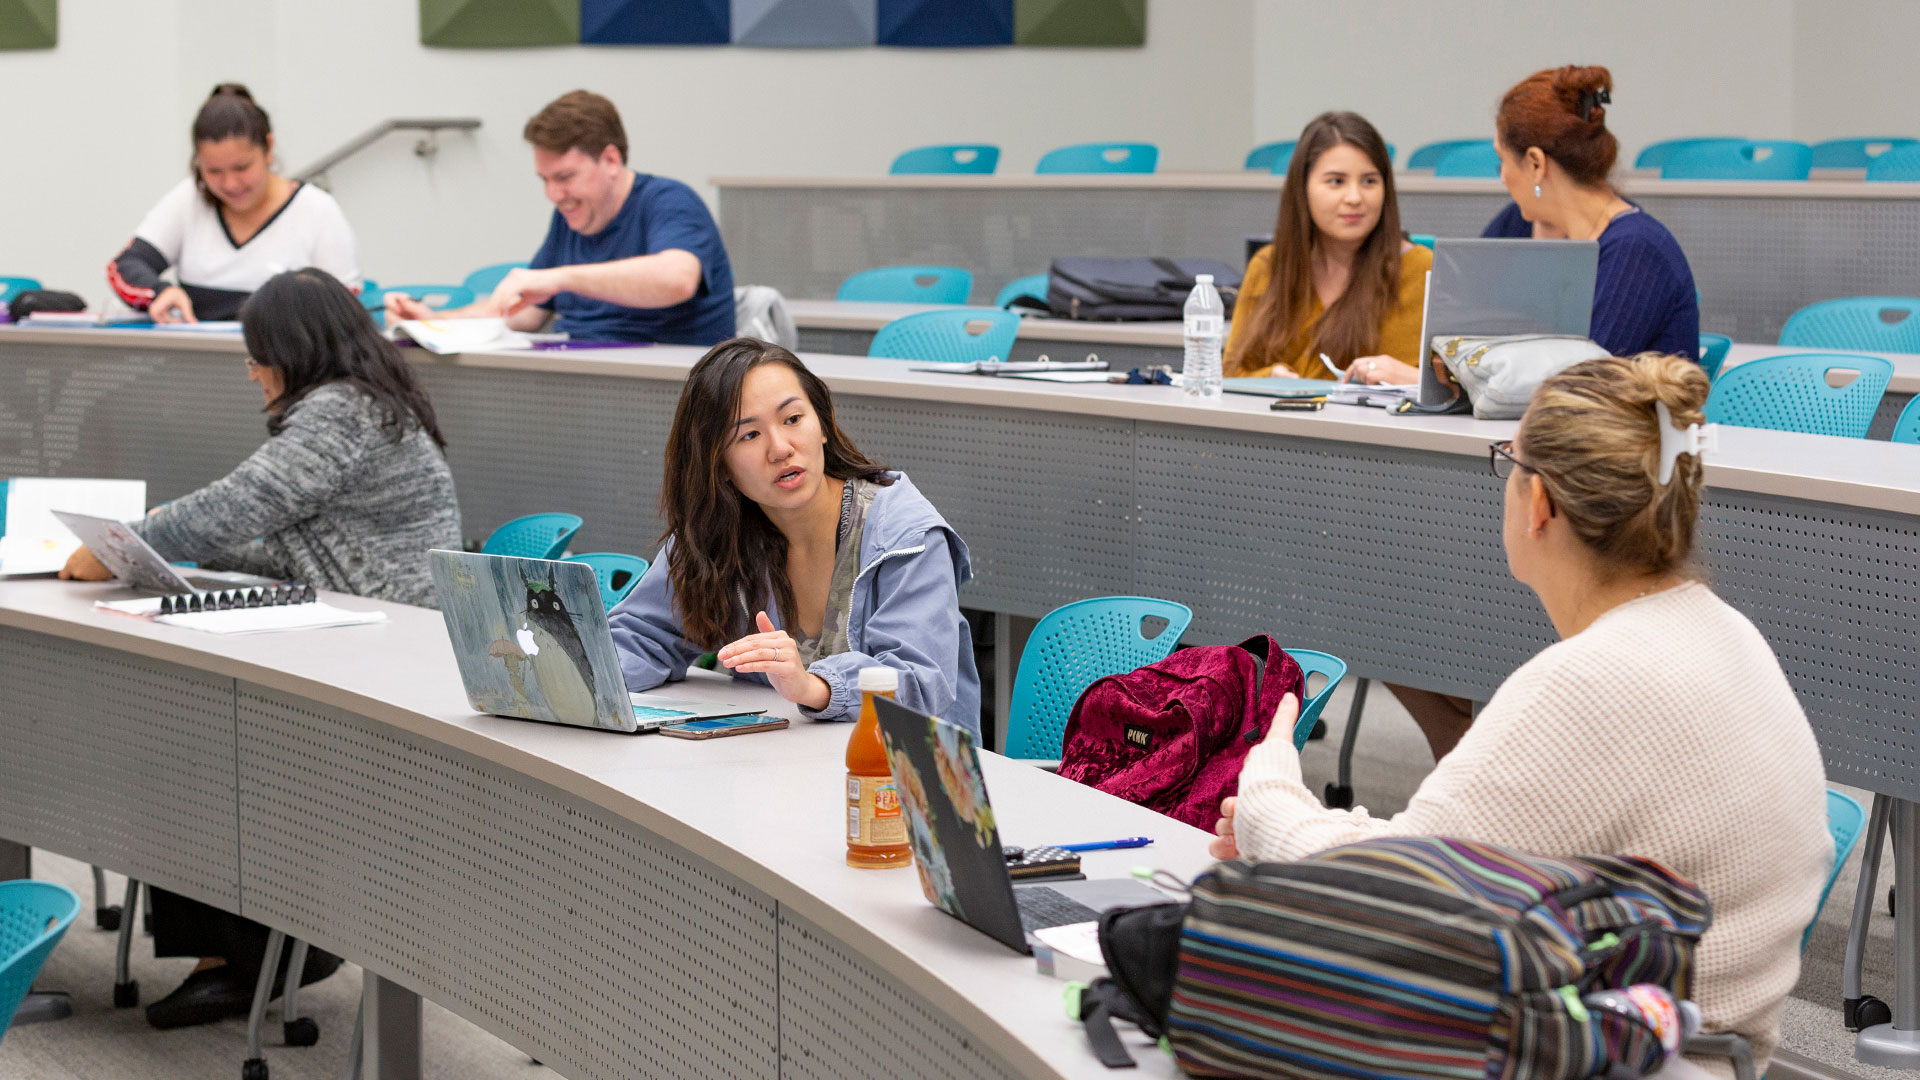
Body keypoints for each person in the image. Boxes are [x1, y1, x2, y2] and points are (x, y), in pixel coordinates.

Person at [1211, 353, 1829, 1078]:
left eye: (1509, 462)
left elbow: (1384, 903)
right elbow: (1452, 857)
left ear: (1539, 504)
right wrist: (1324, 833)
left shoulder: (1592, 682)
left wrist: (1267, 788)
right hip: (1676, 1044)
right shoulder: (1721, 631)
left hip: (1601, 1055)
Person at [59, 269, 463, 1027]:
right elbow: (292, 545)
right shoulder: (363, 404)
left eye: (257, 354)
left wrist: (126, 543)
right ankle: (245, 952)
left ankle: (260, 952)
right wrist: (176, 566)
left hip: (392, 654)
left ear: (293, 349)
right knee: (186, 720)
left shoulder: (343, 412)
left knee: (197, 741)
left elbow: (240, 504)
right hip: (359, 632)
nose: (251, 371)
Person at [609, 338, 980, 733]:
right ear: (718, 465)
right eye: (749, 436)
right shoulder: (715, 535)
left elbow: (919, 682)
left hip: (909, 774)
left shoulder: (905, 533)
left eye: (792, 419)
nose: (781, 449)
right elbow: (642, 636)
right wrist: (559, 672)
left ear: (822, 424)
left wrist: (815, 686)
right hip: (779, 768)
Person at [386, 90, 735, 346]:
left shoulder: (670, 201)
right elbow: (525, 313)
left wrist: (560, 278)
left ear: (611, 161)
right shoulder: (569, 219)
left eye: (565, 178)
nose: (553, 195)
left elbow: (677, 278)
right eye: (545, 180)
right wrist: (434, 322)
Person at [1481, 65, 1700, 359]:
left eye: (1502, 160)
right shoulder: (1516, 225)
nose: (1503, 176)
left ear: (1535, 163)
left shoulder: (1636, 251)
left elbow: (1579, 385)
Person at [109, 84, 360, 323]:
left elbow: (344, 313)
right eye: (213, 171)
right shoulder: (189, 199)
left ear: (268, 148)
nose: (230, 184)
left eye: (242, 167)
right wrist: (159, 292)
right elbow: (126, 265)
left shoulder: (317, 210)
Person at [1225, 111, 1430, 385]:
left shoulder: (1420, 269)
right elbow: (1231, 373)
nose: (1355, 198)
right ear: (1303, 188)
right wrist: (1269, 378)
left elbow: (1448, 388)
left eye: (1369, 181)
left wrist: (1416, 381)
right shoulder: (1269, 265)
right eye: (1336, 181)